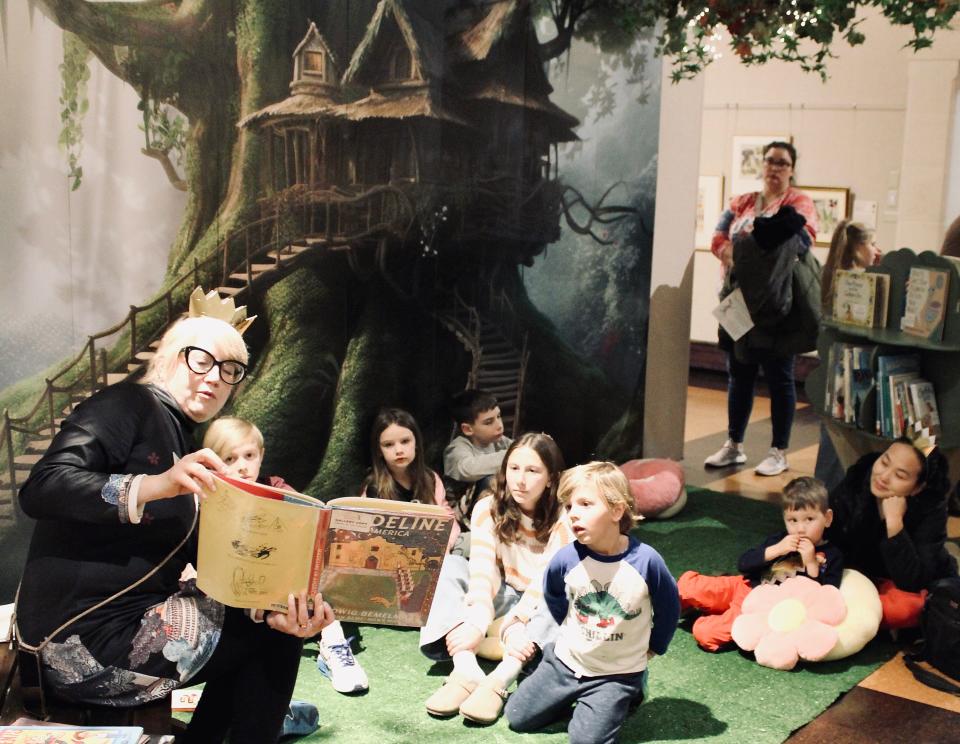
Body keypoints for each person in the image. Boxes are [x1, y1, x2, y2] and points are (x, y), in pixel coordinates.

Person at [15, 292, 332, 744]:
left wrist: (285, 603)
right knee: (266, 635)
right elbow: (43, 487)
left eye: (230, 370)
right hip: (75, 644)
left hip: (121, 629)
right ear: (169, 357)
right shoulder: (128, 404)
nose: (214, 379)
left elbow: (219, 569)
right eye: (200, 359)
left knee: (272, 624)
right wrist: (157, 484)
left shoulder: (182, 441)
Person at [504, 462, 679, 744]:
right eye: (570, 506)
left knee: (586, 741)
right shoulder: (566, 559)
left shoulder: (647, 562)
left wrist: (654, 648)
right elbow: (554, 596)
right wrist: (570, 628)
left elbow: (670, 608)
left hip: (616, 674)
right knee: (517, 716)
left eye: (585, 504)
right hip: (565, 662)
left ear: (616, 510)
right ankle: (564, 690)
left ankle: (631, 691)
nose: (574, 514)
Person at [203, 416, 368, 695]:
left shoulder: (275, 486)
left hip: (279, 586)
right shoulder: (208, 497)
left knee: (314, 577)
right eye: (229, 459)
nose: (242, 466)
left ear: (261, 455)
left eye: (249, 455)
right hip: (232, 595)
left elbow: (303, 521)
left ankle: (333, 640)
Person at [420, 432, 573, 724]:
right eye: (513, 468)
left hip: (543, 604)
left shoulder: (564, 518)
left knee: (567, 601)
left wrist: (518, 625)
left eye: (532, 471)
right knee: (450, 565)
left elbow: (545, 583)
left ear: (551, 478)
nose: (520, 480)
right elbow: (482, 571)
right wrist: (477, 621)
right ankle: (465, 669)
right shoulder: (488, 509)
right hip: (503, 592)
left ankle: (501, 679)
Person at [705, 141, 819, 477]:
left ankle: (778, 450)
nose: (774, 167)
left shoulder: (799, 204)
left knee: (779, 377)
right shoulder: (742, 203)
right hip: (738, 302)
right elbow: (718, 239)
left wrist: (746, 256)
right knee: (738, 374)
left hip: (775, 305)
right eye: (769, 161)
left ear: (792, 168)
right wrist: (745, 256)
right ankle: (734, 444)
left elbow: (801, 242)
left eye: (782, 163)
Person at [678, 476, 842, 651]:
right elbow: (744, 564)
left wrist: (810, 562)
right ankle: (683, 606)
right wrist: (776, 549)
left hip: (757, 606)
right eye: (793, 520)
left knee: (706, 633)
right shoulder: (780, 539)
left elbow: (820, 599)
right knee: (687, 586)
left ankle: (707, 614)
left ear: (827, 518)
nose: (800, 528)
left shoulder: (833, 555)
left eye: (809, 519)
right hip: (742, 584)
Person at [826, 439, 956, 629]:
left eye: (900, 475)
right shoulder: (860, 476)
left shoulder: (930, 508)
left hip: (899, 583)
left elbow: (913, 581)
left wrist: (895, 525)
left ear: (918, 487)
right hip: (857, 575)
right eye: (884, 462)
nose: (883, 476)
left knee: (906, 608)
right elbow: (830, 535)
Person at [815, 220, 880, 491]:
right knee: (841, 436)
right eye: (871, 244)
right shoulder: (858, 281)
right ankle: (832, 497)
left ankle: (825, 493)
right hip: (850, 369)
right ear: (857, 247)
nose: (875, 250)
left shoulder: (833, 275)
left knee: (833, 432)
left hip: (834, 369)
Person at [443, 389, 512, 487]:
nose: (499, 425)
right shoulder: (456, 449)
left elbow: (519, 446)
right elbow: (468, 469)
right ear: (467, 429)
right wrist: (513, 455)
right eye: (488, 422)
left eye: (499, 416)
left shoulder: (499, 441)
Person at [821, 219, 880, 315]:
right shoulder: (861, 281)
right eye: (873, 244)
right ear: (857, 247)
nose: (876, 251)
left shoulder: (825, 271)